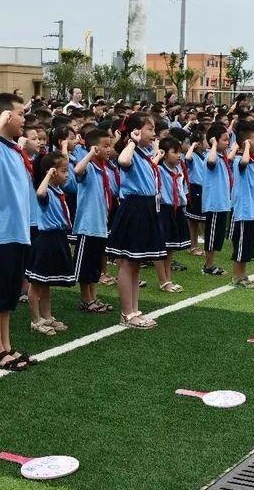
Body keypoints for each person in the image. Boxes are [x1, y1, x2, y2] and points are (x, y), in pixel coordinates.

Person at [0, 93, 33, 369]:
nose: (24, 119)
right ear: (7, 116)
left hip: (17, 233)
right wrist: (0, 119)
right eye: (20, 114)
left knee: (8, 298)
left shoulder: (14, 150)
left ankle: (7, 346)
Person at [105, 112, 165, 330]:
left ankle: (135, 310)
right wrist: (131, 140)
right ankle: (126, 313)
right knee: (128, 263)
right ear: (136, 131)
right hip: (134, 209)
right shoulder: (130, 151)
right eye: (150, 129)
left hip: (147, 207)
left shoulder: (144, 154)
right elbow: (122, 160)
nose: (154, 133)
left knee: (136, 264)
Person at [26, 152, 74, 335]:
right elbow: (39, 193)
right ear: (52, 172)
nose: (67, 174)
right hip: (45, 239)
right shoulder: (45, 192)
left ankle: (47, 316)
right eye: (63, 171)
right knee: (36, 281)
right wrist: (47, 174)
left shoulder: (58, 190)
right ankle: (35, 320)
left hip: (58, 237)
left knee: (47, 281)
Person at [71, 129, 114, 313]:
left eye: (109, 145)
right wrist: (90, 153)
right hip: (88, 226)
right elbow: (77, 170)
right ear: (95, 148)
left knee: (95, 265)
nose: (109, 149)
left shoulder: (103, 169)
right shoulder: (88, 168)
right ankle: (85, 298)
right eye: (105, 146)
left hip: (100, 225)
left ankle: (93, 297)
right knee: (85, 266)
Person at [156, 137, 190, 293]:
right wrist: (157, 152)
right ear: (163, 154)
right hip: (162, 209)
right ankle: (163, 281)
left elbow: (181, 190)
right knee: (160, 247)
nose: (178, 156)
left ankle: (168, 278)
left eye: (179, 152)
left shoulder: (179, 170)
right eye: (174, 152)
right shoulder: (159, 169)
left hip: (175, 209)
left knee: (170, 247)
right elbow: (152, 164)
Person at [230, 124, 254, 288]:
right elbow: (242, 163)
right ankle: (237, 277)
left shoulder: (251, 161)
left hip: (251, 211)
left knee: (248, 246)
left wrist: (250, 145)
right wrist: (248, 146)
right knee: (241, 246)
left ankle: (244, 274)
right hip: (242, 212)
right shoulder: (239, 160)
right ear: (246, 143)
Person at [201, 123, 236, 276]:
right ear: (214, 140)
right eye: (224, 140)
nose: (227, 143)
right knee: (212, 235)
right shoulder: (211, 155)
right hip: (214, 203)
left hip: (223, 202)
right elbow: (211, 162)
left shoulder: (222, 157)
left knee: (218, 236)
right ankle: (208, 265)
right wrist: (214, 144)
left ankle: (211, 263)